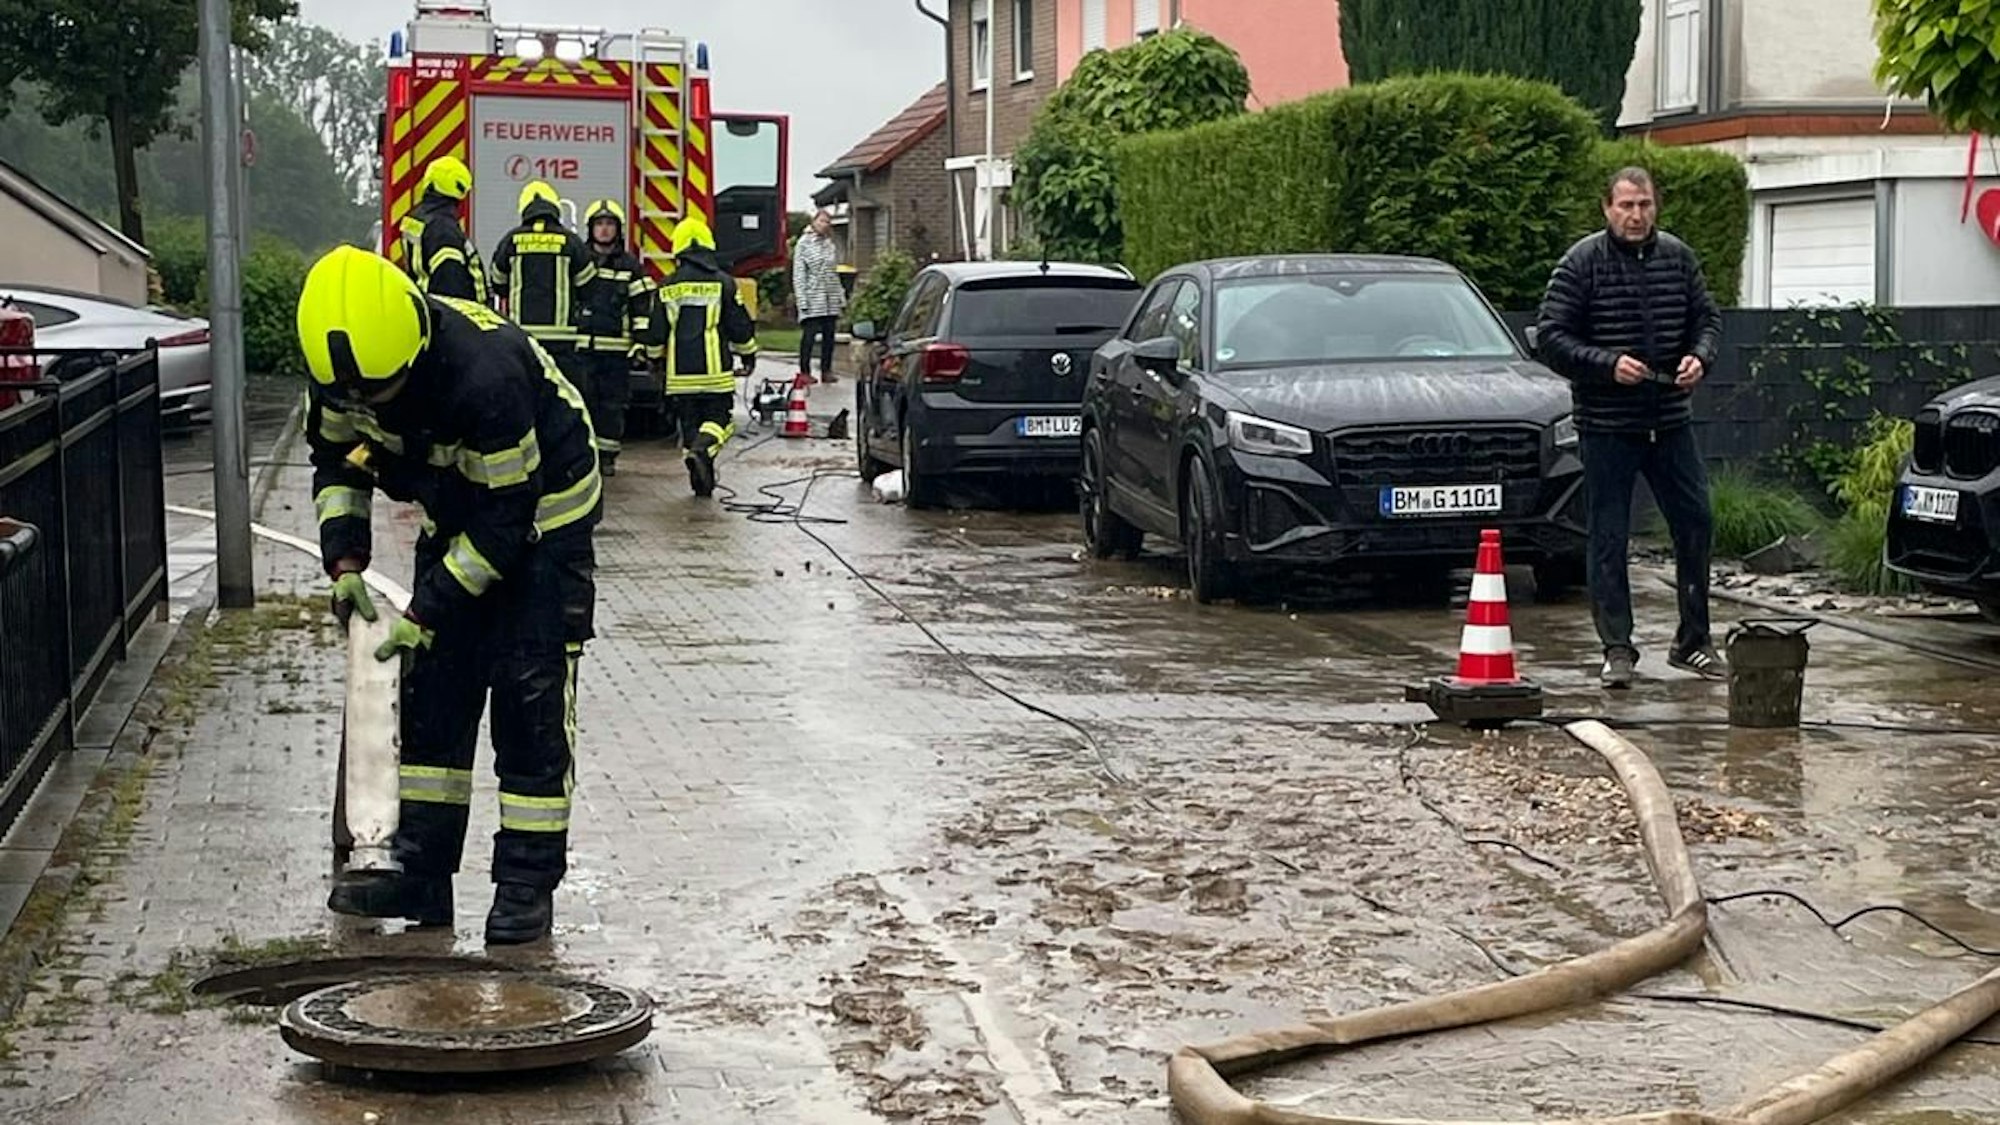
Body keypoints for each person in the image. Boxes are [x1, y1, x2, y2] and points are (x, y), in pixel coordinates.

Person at [298, 244, 602, 945]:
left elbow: (505, 520)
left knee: (528, 697)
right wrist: (345, 559)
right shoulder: (342, 375)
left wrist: (428, 606)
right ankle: (422, 872)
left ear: (413, 351)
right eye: (354, 398)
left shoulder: (483, 376)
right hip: (465, 509)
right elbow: (338, 463)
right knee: (435, 695)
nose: (366, 407)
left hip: (543, 520)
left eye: (379, 394)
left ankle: (526, 883)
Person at [1535, 165, 1726, 690]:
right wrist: (1605, 364)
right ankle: (1617, 648)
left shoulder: (1678, 258)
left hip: (1668, 419)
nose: (1636, 215)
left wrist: (1699, 359)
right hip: (1606, 424)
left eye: (1644, 205)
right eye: (1625, 206)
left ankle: (1694, 641)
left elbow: (1707, 320)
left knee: (1696, 523)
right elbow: (1549, 336)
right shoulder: (1581, 263)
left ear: (1655, 207)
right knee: (1608, 536)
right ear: (1607, 209)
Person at [661, 215, 759, 497]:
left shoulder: (667, 286)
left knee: (690, 426)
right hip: (715, 374)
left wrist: (654, 359)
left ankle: (700, 479)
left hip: (679, 377)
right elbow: (739, 327)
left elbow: (656, 331)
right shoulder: (724, 283)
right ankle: (702, 453)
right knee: (720, 422)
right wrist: (748, 355)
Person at [573, 199, 657, 477]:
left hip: (615, 352)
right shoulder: (578, 260)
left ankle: (606, 457)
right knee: (581, 402)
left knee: (611, 406)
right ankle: (582, 456)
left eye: (610, 224)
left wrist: (639, 345)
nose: (605, 230)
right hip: (581, 347)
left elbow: (641, 309)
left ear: (618, 230)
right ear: (591, 229)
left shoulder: (630, 266)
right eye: (599, 224)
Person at [491, 181, 596, 390]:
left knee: (524, 395)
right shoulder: (571, 242)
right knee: (559, 397)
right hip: (562, 341)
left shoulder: (511, 241)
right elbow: (588, 286)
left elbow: (498, 283)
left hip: (522, 338)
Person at [397, 156, 489, 304]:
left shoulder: (415, 219)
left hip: (425, 303)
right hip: (451, 313)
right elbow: (450, 281)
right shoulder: (443, 230)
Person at [791, 209, 845, 385]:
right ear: (814, 222)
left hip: (830, 297)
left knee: (829, 336)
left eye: (827, 222)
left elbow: (833, 273)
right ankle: (804, 371)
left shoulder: (829, 244)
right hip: (813, 296)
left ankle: (826, 370)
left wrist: (840, 297)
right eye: (821, 221)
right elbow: (799, 275)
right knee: (810, 334)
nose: (824, 225)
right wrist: (802, 301)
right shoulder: (804, 244)